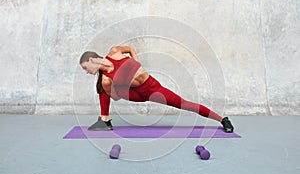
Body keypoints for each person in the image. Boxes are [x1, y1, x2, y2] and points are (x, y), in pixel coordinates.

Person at [79, 45, 234, 133]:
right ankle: (105, 121)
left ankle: (223, 120)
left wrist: (136, 61)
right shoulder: (105, 79)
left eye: (86, 67)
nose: (86, 72)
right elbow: (116, 97)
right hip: (134, 94)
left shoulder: (114, 52)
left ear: (91, 59)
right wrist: (116, 83)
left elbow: (130, 49)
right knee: (102, 86)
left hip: (152, 89)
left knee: (184, 103)